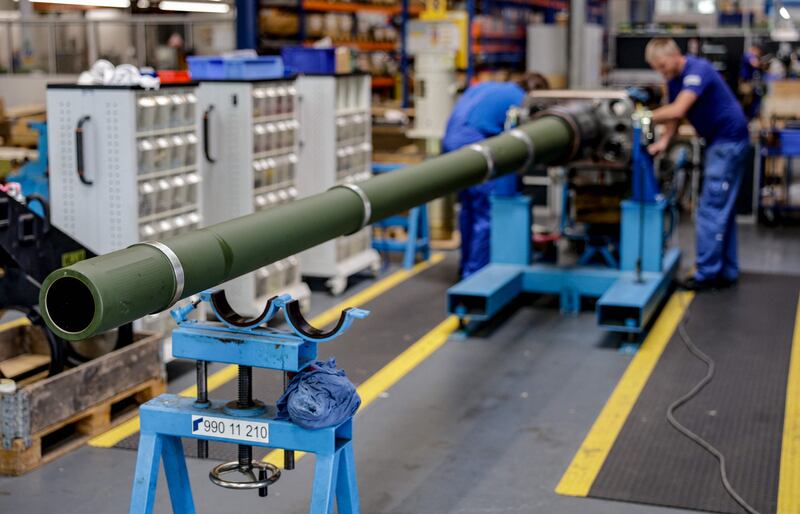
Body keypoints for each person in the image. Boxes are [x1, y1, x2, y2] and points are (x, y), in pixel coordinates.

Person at [645, 38, 750, 291]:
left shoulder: (697, 69)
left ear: (675, 55)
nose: (662, 71)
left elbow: (678, 108)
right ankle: (726, 270)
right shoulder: (672, 79)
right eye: (657, 68)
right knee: (721, 209)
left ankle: (706, 273)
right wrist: (664, 141)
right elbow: (674, 116)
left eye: (663, 65)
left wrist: (639, 116)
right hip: (717, 141)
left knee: (710, 208)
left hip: (728, 141)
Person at [442, 73, 549, 278]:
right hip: (472, 144)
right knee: (486, 212)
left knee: (469, 208)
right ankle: (474, 275)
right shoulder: (521, 99)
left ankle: (465, 265)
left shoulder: (488, 86)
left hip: (450, 140)